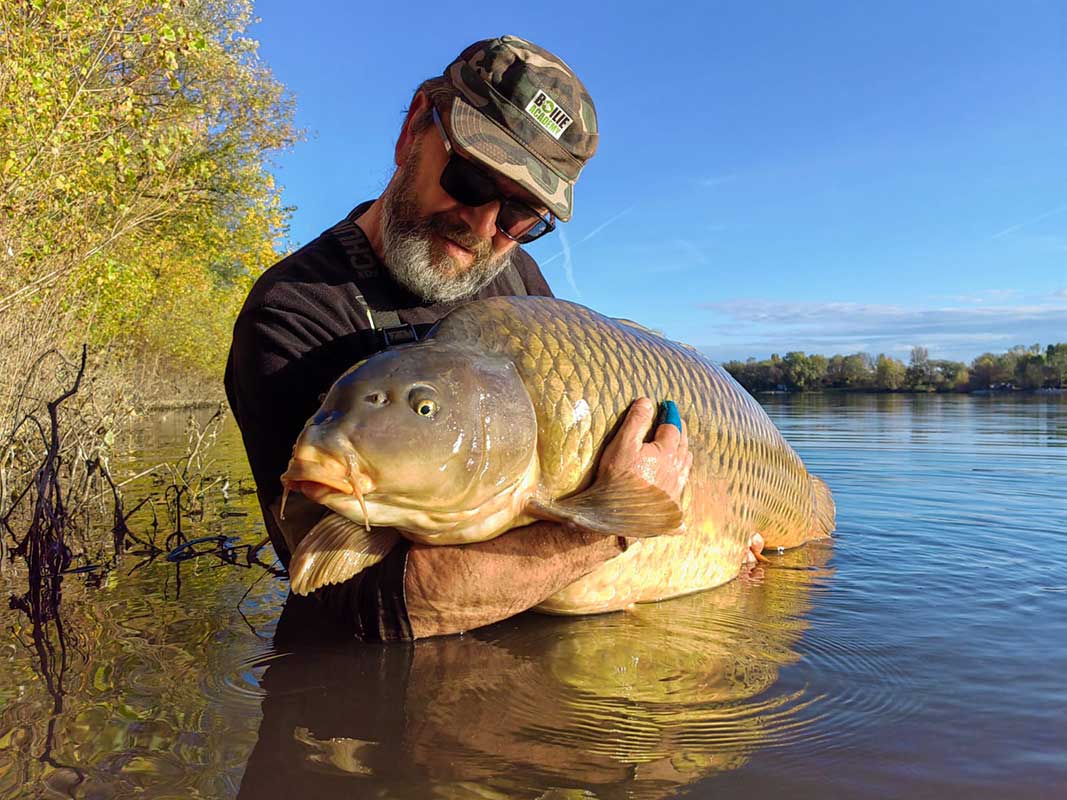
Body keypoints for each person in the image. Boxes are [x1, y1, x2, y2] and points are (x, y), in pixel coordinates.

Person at [225, 35, 692, 641]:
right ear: (415, 127)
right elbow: (355, 605)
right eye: (471, 178)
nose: (483, 225)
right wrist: (618, 522)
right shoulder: (294, 314)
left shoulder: (514, 275)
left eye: (523, 216)